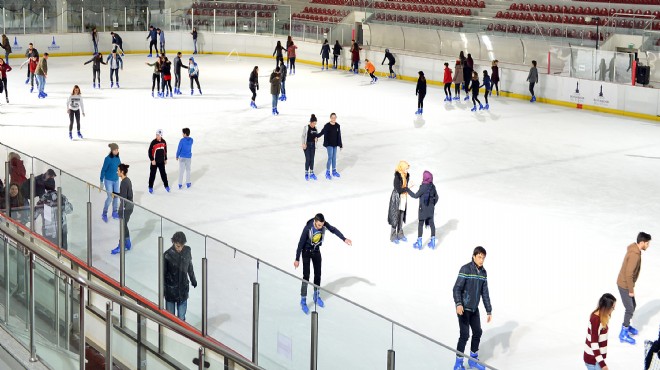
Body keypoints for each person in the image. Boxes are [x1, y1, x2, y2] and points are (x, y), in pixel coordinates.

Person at [294, 213, 352, 314]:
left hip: (316, 251)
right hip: (306, 252)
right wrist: (297, 258)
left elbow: (333, 230)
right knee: (306, 276)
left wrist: (344, 238)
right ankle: (303, 300)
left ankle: (316, 295)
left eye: (322, 225)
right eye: (319, 225)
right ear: (315, 222)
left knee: (318, 274)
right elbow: (300, 243)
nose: (321, 227)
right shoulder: (308, 228)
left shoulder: (324, 224)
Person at [453, 246, 492, 370]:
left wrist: (489, 310)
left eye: (483, 258)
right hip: (463, 308)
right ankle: (458, 363)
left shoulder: (483, 273)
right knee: (464, 335)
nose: (481, 260)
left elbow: (485, 293)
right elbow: (456, 288)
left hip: (474, 309)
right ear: (474, 256)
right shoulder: (465, 269)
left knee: (478, 332)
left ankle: (473, 360)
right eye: (479, 257)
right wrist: (458, 304)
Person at [617, 231, 651, 345]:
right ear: (641, 242)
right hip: (624, 285)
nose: (648, 245)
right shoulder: (634, 255)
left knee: (633, 306)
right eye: (647, 243)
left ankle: (627, 325)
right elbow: (628, 274)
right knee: (630, 308)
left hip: (626, 284)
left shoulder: (635, 250)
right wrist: (631, 290)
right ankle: (623, 333)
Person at [163, 231, 197, 321]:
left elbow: (190, 267)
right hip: (170, 291)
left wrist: (193, 279)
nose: (180, 248)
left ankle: (180, 335)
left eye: (182, 246)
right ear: (173, 242)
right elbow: (163, 274)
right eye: (178, 246)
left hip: (182, 291)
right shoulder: (167, 255)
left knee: (181, 319)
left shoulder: (187, 251)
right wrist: (163, 291)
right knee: (170, 319)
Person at [406, 170, 438, 249]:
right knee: (432, 224)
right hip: (431, 210)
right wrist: (432, 204)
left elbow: (415, 196)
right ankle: (433, 242)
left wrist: (407, 189)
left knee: (420, 224)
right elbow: (437, 197)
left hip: (423, 210)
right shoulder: (432, 186)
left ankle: (419, 243)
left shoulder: (423, 187)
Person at [584, 293, 616, 370]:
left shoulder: (602, 316)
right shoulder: (596, 320)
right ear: (606, 307)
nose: (613, 310)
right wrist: (602, 364)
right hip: (593, 360)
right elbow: (594, 343)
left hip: (597, 358)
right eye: (612, 308)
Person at [111, 163, 133, 255]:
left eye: (118, 170)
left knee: (122, 227)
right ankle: (128, 243)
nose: (117, 172)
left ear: (122, 172)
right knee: (124, 225)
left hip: (126, 208)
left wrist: (120, 210)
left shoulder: (124, 182)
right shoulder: (127, 180)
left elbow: (123, 198)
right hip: (130, 206)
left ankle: (121, 246)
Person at [388, 161, 409, 244]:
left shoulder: (406, 175)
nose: (407, 170)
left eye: (407, 168)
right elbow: (398, 189)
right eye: (406, 168)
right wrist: (406, 189)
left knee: (401, 216)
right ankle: (393, 236)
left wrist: (407, 188)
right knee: (395, 217)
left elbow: (405, 186)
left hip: (403, 197)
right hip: (396, 198)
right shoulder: (397, 176)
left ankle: (400, 234)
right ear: (402, 167)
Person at [100, 143, 121, 222]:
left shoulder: (118, 158)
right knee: (110, 197)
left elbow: (119, 166)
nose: (116, 151)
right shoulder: (107, 159)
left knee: (116, 197)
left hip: (116, 180)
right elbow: (103, 170)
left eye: (117, 150)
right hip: (108, 180)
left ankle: (114, 212)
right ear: (112, 150)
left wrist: (122, 172)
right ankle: (104, 213)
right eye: (115, 150)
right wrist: (101, 181)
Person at [318, 113, 342, 179]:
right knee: (330, 157)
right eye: (332, 117)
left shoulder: (337, 125)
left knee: (334, 158)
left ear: (336, 117)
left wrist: (340, 144)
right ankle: (327, 172)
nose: (334, 119)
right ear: (330, 118)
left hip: (335, 144)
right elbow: (322, 132)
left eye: (335, 117)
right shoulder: (327, 125)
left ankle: (334, 171)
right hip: (329, 144)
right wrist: (317, 136)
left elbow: (339, 135)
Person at [148, 129, 170, 193]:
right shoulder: (153, 142)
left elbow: (165, 151)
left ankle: (166, 186)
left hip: (161, 161)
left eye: (158, 135)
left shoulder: (164, 142)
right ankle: (150, 187)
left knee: (163, 174)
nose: (157, 136)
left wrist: (165, 159)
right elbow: (149, 152)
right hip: (154, 162)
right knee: (152, 175)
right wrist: (152, 160)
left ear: (161, 135)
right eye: (156, 135)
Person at [302, 114, 322, 181]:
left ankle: (311, 172)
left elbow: (316, 136)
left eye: (315, 123)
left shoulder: (315, 128)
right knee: (308, 159)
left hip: (313, 145)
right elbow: (303, 136)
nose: (314, 124)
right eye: (313, 123)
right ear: (310, 122)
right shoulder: (306, 127)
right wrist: (303, 144)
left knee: (312, 159)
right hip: (307, 145)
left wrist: (316, 139)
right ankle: (306, 173)